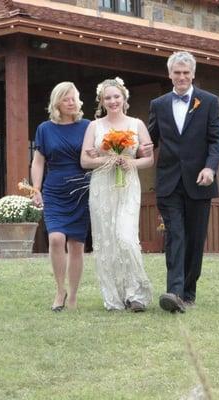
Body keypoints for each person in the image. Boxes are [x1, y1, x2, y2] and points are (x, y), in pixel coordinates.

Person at [148, 51, 219, 313]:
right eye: (176, 72)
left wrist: (210, 168)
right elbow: (150, 140)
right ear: (169, 74)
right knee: (175, 236)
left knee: (194, 239)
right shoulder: (158, 104)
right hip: (168, 183)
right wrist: (122, 148)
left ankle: (189, 292)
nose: (181, 77)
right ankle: (174, 293)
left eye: (185, 72)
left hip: (200, 181)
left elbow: (217, 139)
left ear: (193, 74)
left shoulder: (209, 101)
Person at [81, 77, 154, 312]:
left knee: (126, 237)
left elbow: (148, 158)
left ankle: (137, 294)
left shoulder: (136, 124)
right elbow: (84, 160)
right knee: (106, 241)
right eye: (108, 98)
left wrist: (130, 163)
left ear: (124, 98)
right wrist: (106, 159)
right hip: (102, 186)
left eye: (116, 96)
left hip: (128, 185)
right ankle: (113, 298)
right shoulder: (94, 126)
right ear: (101, 101)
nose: (113, 101)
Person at [31, 82, 90, 312]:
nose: (72, 102)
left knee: (76, 244)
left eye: (74, 98)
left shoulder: (88, 126)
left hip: (80, 190)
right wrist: (36, 188)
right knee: (56, 238)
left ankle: (73, 295)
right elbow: (38, 161)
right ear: (57, 103)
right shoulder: (45, 129)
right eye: (67, 99)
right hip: (54, 190)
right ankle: (59, 290)